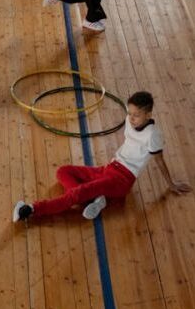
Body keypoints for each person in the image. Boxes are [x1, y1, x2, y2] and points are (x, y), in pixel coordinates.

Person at [13, 91, 191, 223]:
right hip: (109, 168)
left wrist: (171, 184)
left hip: (122, 179)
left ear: (148, 115)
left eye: (136, 115)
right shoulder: (130, 121)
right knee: (63, 171)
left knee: (77, 192)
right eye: (129, 113)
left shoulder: (153, 135)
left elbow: (159, 160)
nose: (131, 118)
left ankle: (31, 209)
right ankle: (95, 200)